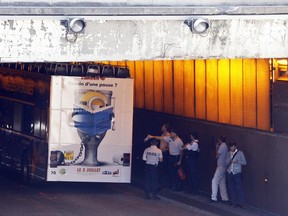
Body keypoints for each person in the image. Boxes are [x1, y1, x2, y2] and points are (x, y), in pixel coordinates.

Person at [226, 141, 247, 208]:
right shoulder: (228, 153)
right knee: (231, 188)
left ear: (235, 146)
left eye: (232, 146)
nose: (231, 148)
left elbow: (244, 162)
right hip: (230, 172)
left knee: (239, 188)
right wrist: (229, 157)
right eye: (230, 147)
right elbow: (226, 163)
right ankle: (234, 202)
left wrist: (237, 161)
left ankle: (242, 203)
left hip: (237, 172)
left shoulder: (240, 153)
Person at [211, 135, 229, 202]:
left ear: (220, 140)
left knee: (214, 180)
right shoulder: (225, 146)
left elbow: (217, 156)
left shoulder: (222, 146)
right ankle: (225, 197)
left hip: (220, 166)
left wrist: (216, 148)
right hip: (224, 166)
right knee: (222, 182)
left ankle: (214, 197)